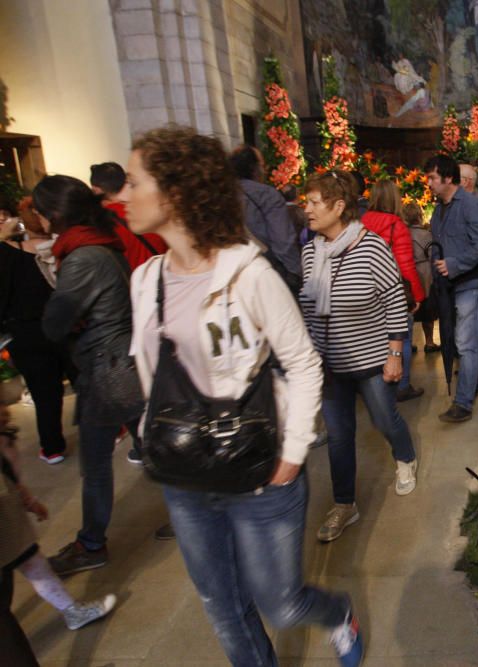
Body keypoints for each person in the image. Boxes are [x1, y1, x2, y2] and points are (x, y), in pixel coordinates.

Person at [124, 126, 363, 666]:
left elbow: (303, 362)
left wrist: (293, 452)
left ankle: (335, 613)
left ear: (177, 192)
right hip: (186, 476)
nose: (123, 196)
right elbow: (150, 369)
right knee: (222, 607)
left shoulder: (248, 274)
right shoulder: (145, 280)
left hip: (258, 469)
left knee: (279, 604)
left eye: (135, 182)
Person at [33, 175, 144, 576]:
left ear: (56, 214)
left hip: (107, 367)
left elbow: (55, 323)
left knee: (96, 462)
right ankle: (205, 511)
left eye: (42, 211)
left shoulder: (81, 256)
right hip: (118, 362)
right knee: (151, 445)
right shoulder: (98, 244)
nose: (39, 219)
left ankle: (92, 544)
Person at [300, 170, 418, 543]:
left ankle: (405, 457)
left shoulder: (371, 248)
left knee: (384, 418)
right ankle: (344, 505)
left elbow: (395, 301)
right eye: (306, 202)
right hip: (330, 365)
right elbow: (307, 309)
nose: (306, 210)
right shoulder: (309, 252)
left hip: (371, 359)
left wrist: (395, 353)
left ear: (338, 206)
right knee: (338, 436)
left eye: (313, 202)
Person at [1, 404, 116, 634]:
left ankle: (71, 610)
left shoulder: (5, 438)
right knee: (29, 569)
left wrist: (29, 502)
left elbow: (12, 482)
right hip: (6, 526)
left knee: (35, 566)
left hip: (11, 522)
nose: (5, 411)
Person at [0, 199, 74, 463]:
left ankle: (52, 448)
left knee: (44, 394)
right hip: (67, 325)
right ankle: (111, 431)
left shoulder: (6, 254)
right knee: (84, 382)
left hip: (25, 333)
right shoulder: (64, 247)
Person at [424, 154, 478, 423]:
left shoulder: (472, 205)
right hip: (449, 285)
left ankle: (463, 402)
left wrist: (454, 264)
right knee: (463, 341)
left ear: (448, 178)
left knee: (466, 344)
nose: (428, 183)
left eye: (432, 178)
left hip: (470, 284)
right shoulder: (440, 207)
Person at [361, 179, 426, 402]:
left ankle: (375, 386)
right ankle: (402, 385)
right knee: (403, 338)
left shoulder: (360, 222)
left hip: (368, 291)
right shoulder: (395, 225)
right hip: (393, 291)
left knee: (374, 339)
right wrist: (417, 295)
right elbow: (406, 264)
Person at [229, 145, 303, 290]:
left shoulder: (222, 195)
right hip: (267, 273)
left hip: (232, 276)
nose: (265, 170)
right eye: (262, 165)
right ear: (253, 168)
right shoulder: (266, 195)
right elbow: (283, 240)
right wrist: (296, 273)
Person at [90, 162, 167, 270]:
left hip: (131, 281)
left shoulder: (102, 220)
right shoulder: (147, 211)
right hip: (159, 277)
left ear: (96, 190)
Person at [403, 202, 439, 353]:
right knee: (427, 308)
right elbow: (433, 255)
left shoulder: (403, 233)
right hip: (425, 272)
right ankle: (429, 342)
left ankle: (409, 342)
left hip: (408, 272)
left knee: (408, 309)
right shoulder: (427, 234)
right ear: (419, 216)